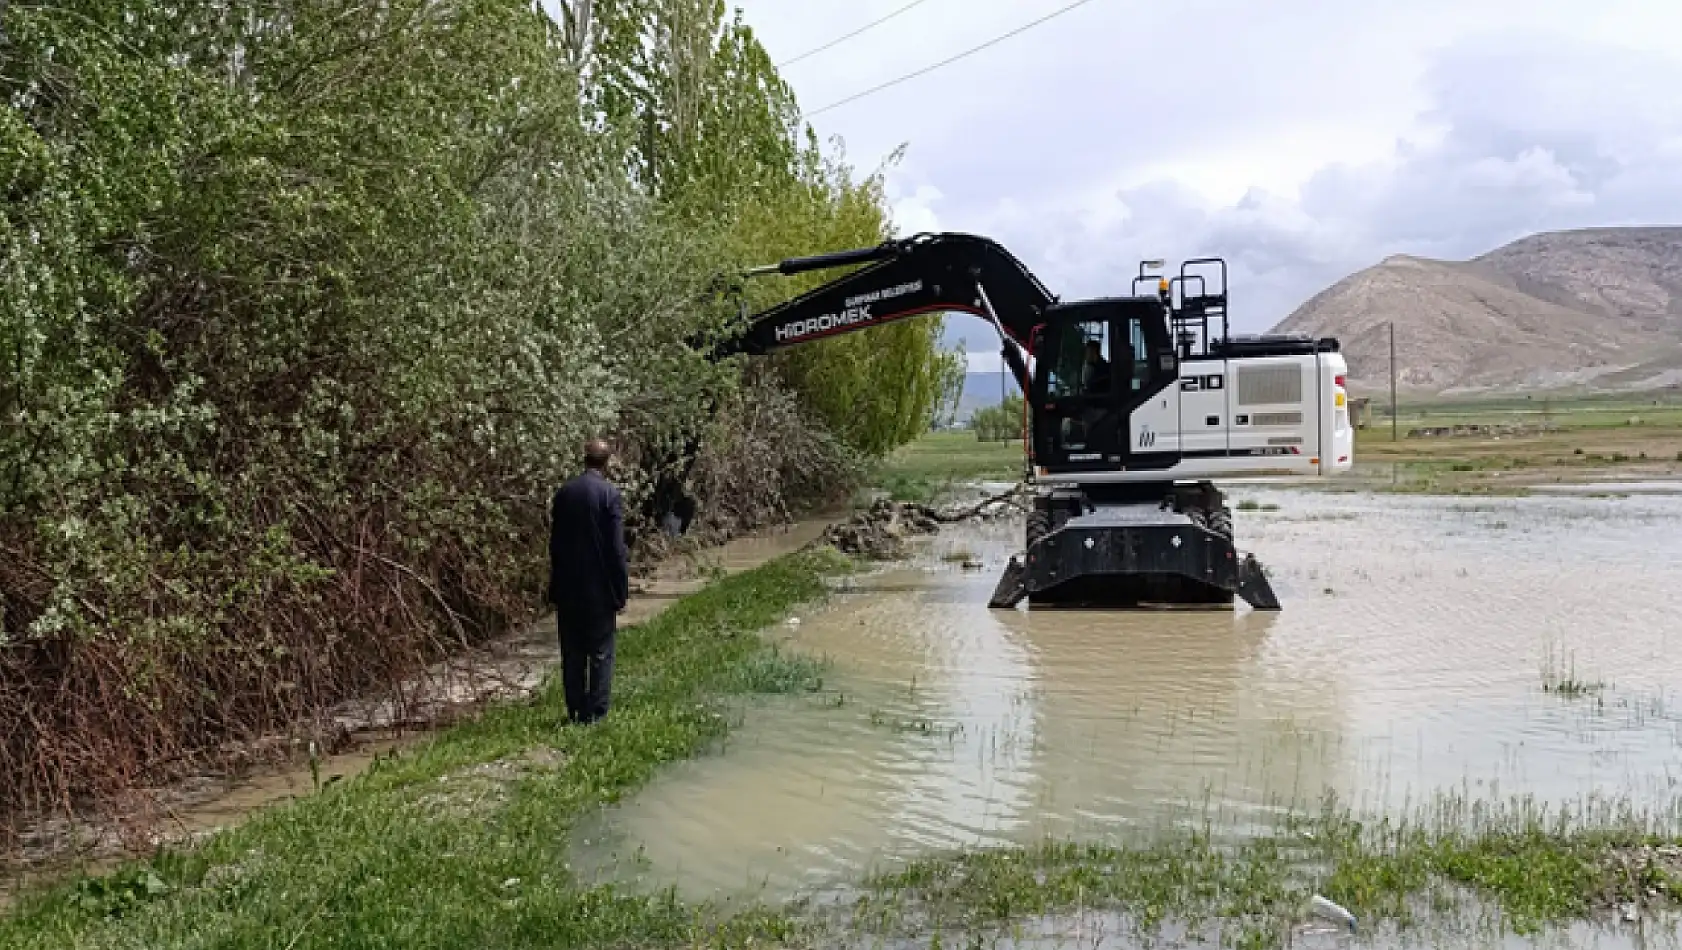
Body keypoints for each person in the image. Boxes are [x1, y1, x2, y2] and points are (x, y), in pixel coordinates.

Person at [547, 438, 629, 724]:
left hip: (568, 586)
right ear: (607, 462)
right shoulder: (609, 495)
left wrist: (554, 584)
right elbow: (617, 550)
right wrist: (621, 591)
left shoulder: (564, 494)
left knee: (572, 653)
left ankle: (574, 711)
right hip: (599, 589)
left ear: (584, 459)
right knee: (600, 653)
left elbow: (554, 545)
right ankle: (596, 715)